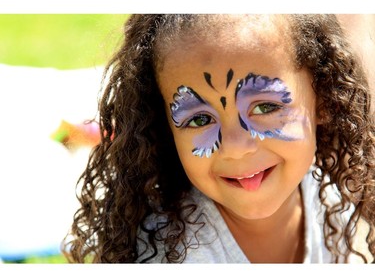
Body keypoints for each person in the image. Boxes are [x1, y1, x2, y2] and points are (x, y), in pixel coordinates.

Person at [62, 14, 375, 263]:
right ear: (165, 129)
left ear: (323, 97)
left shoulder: (334, 200)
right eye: (199, 119)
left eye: (265, 106)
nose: (236, 148)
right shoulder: (169, 258)